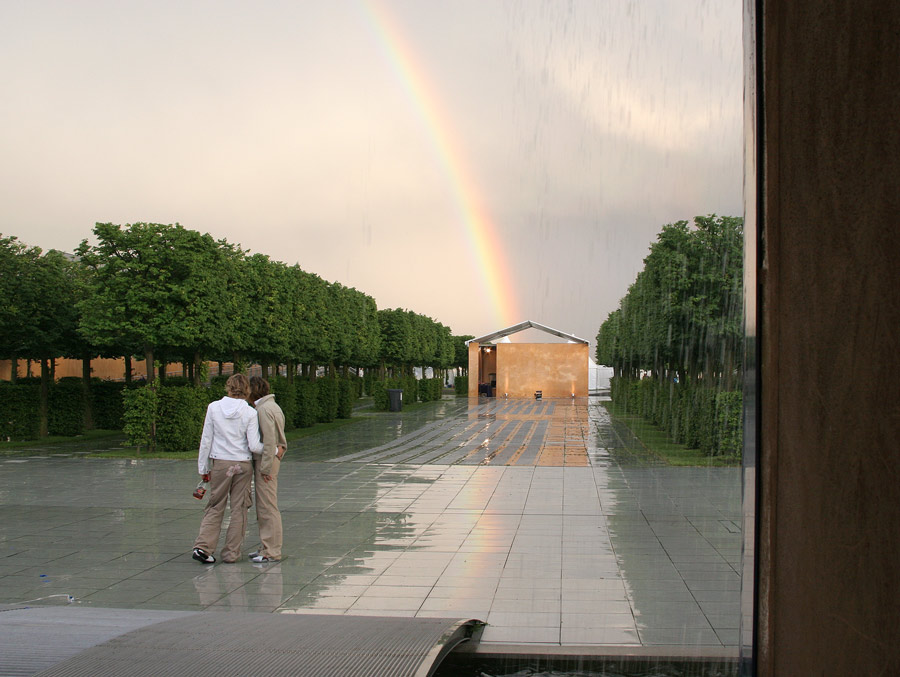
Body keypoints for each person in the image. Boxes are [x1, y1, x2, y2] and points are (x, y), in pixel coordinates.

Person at [192, 373, 263, 564]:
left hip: (221, 463)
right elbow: (255, 445)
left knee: (215, 505)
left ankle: (204, 547)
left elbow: (206, 440)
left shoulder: (214, 408)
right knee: (239, 509)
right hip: (242, 463)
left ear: (228, 387)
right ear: (247, 389)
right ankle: (231, 553)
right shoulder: (250, 412)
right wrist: (272, 449)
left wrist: (203, 467)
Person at [247, 376, 287, 563]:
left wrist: (265, 468)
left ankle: (270, 551)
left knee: (267, 508)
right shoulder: (273, 406)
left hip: (266, 462)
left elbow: (270, 440)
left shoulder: (263, 410)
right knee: (267, 506)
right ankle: (267, 547)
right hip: (272, 460)